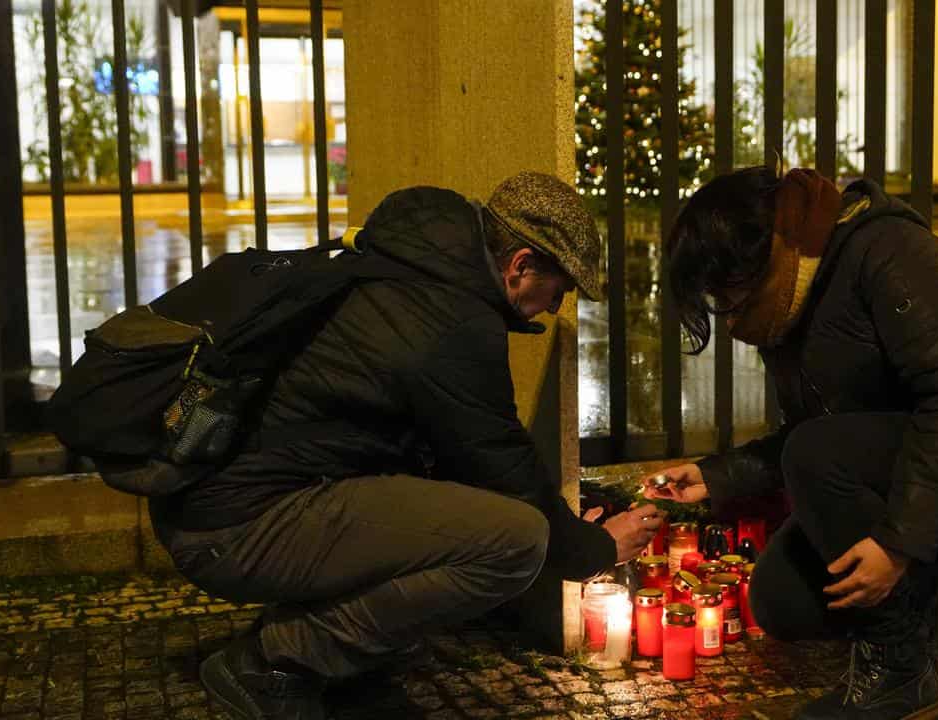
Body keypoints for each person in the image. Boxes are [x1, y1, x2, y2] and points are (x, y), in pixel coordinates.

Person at [150, 171, 662, 720]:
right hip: (233, 527)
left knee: (460, 511)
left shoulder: (409, 268)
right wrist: (597, 549)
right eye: (558, 291)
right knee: (516, 541)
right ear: (521, 265)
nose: (554, 308)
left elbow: (460, 459)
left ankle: (347, 665)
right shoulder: (450, 321)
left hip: (218, 501)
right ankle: (276, 661)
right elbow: (501, 464)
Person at [643, 167, 938, 720]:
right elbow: (822, 433)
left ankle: (898, 674)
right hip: (924, 463)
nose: (723, 312)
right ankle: (927, 579)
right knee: (781, 601)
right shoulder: (786, 300)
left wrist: (900, 544)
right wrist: (717, 475)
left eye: (721, 292)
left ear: (754, 256)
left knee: (817, 459)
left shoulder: (890, 251)